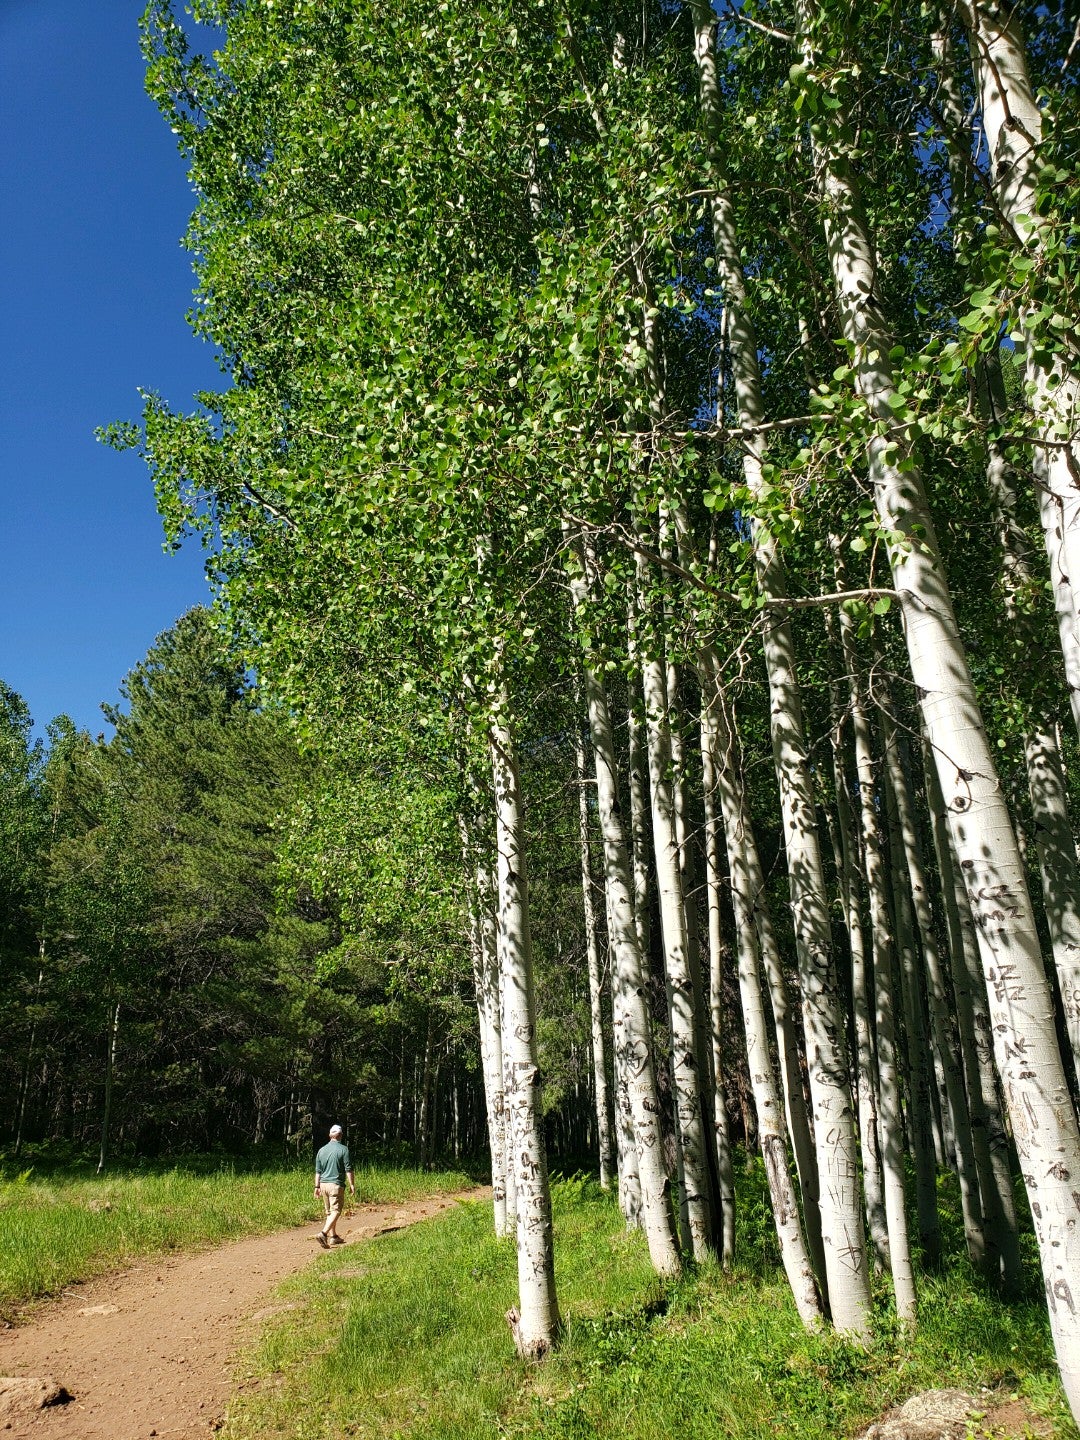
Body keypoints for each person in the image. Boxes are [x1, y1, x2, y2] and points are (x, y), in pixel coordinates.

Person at [313, 1123, 356, 1247]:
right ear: (341, 1135)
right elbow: (348, 1169)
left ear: (330, 1135)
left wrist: (316, 1187)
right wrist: (352, 1184)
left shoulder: (321, 1150)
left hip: (323, 1185)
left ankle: (334, 1237)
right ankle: (323, 1233)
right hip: (335, 1185)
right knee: (336, 1211)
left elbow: (318, 1171)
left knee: (329, 1212)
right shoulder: (344, 1149)